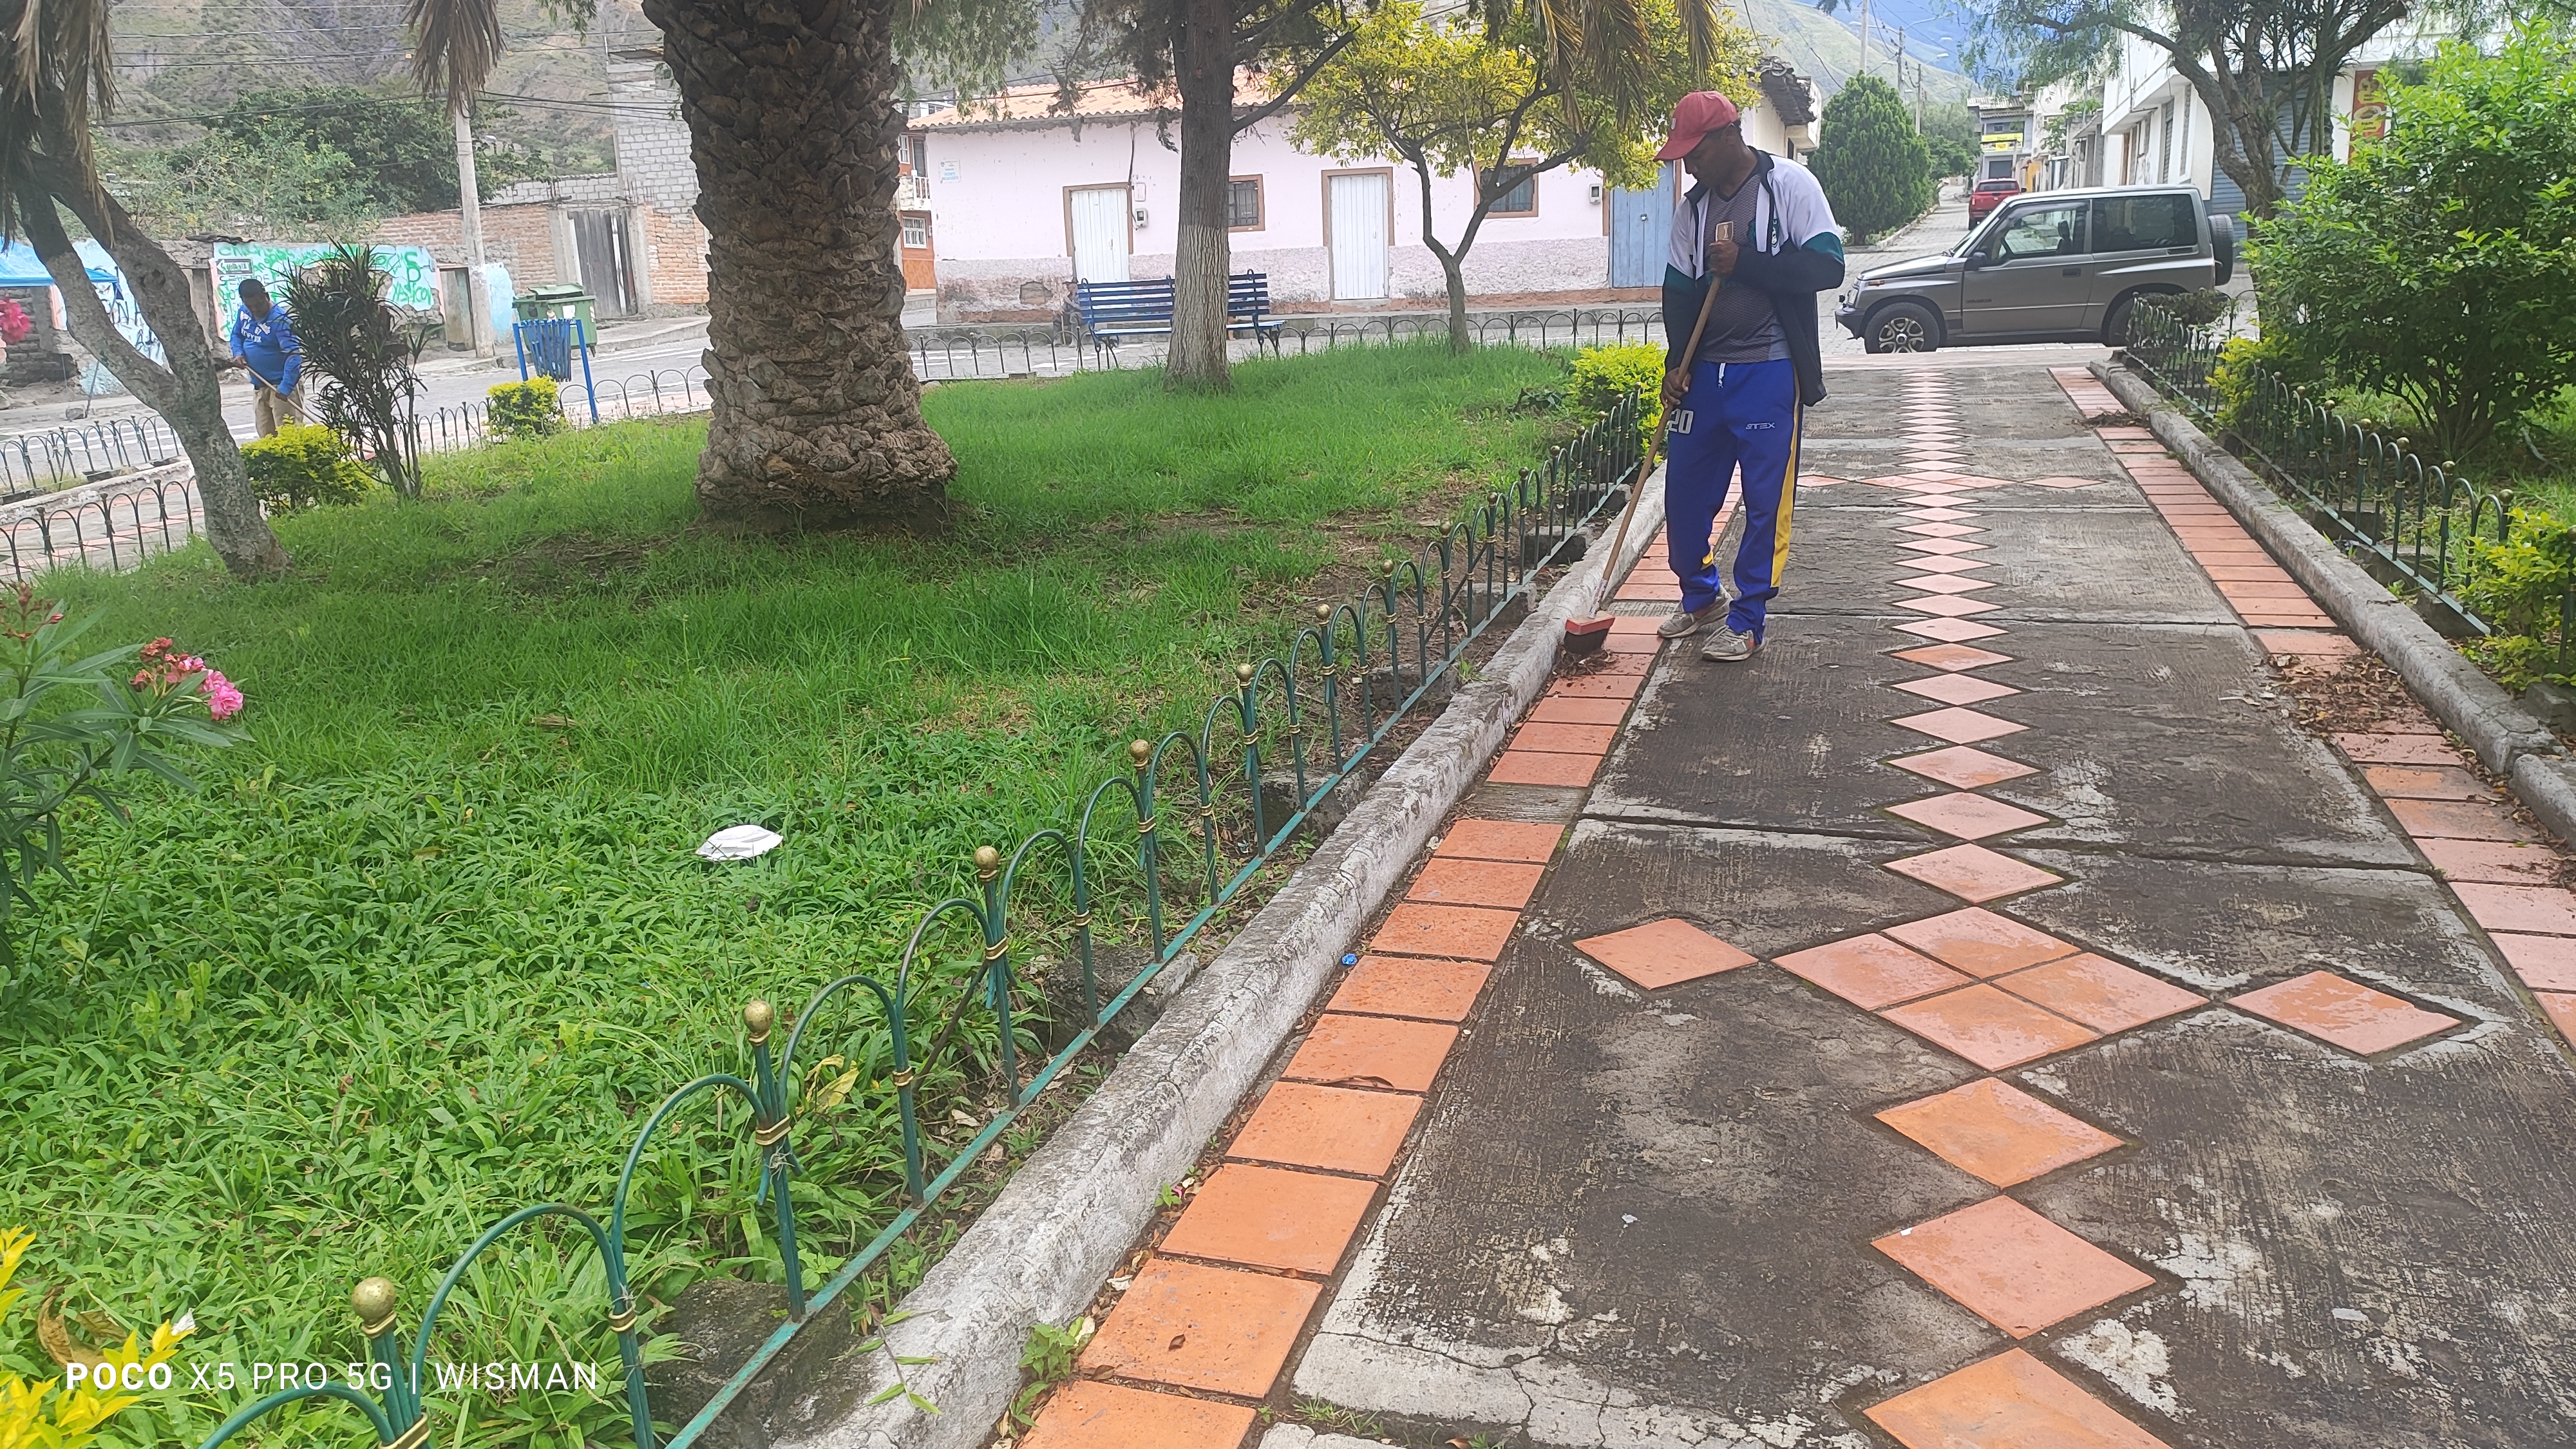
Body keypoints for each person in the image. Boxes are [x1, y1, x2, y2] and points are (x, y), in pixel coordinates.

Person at [1650, 91, 1845, 661]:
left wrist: (1748, 263)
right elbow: (1679, 294)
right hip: (1706, 375)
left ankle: (1749, 618)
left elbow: (1828, 266)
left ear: (1728, 136)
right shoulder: (1693, 211)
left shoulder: (1789, 187)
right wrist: (1675, 364)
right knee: (1685, 499)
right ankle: (1701, 596)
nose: (1690, 166)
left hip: (1770, 370)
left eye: (1696, 152)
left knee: (1764, 503)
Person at [228, 278, 305, 437]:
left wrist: (286, 387)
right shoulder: (244, 312)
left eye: (259, 305)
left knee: (288, 436)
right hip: (260, 385)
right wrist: (238, 353)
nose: (255, 310)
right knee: (266, 436)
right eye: (250, 306)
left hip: (281, 386)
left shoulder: (280, 320)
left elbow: (294, 356)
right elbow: (236, 335)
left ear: (266, 297)